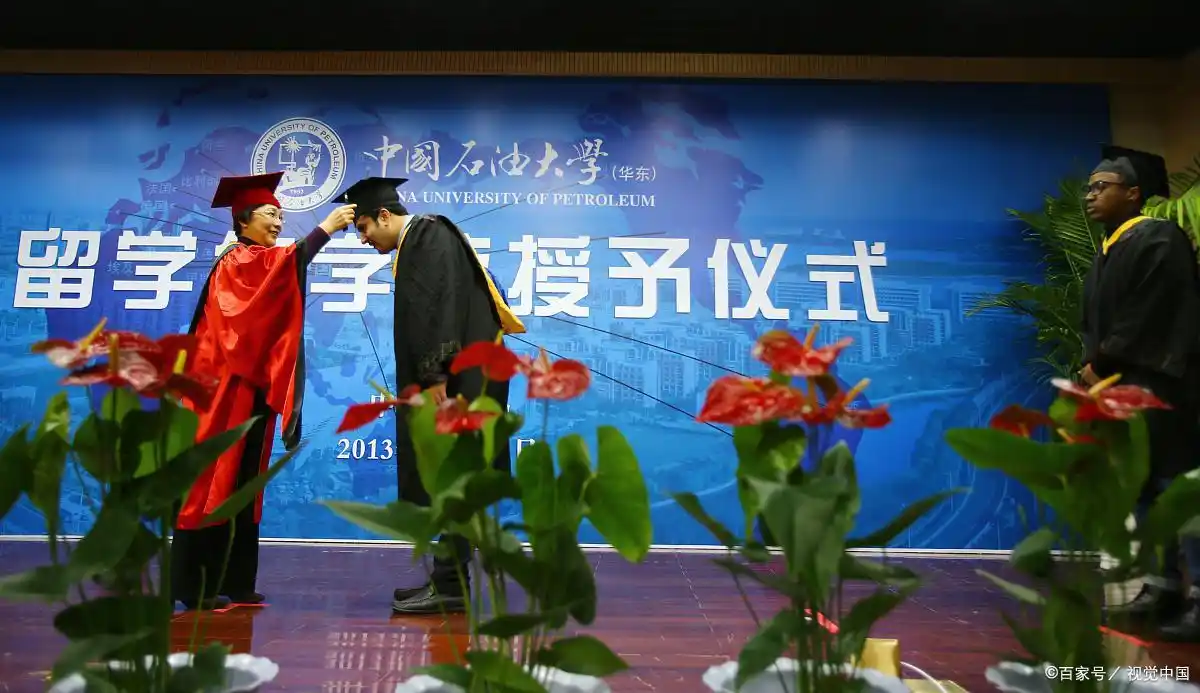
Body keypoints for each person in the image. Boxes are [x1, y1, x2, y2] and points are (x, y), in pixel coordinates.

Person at [333, 176, 526, 614]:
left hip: (453, 383)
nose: (363, 239)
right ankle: (449, 579)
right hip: (464, 376)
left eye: (363, 228)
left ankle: (451, 586)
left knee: (452, 478)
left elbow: (437, 306)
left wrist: (436, 373)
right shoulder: (428, 236)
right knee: (453, 479)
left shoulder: (425, 235)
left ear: (384, 215)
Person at [170, 172, 358, 610]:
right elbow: (278, 274)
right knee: (214, 479)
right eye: (270, 214)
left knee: (244, 481)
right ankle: (195, 587)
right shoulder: (236, 261)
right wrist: (325, 229)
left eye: (280, 215)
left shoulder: (256, 259)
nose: (278, 222)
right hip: (221, 393)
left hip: (248, 388)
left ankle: (235, 580)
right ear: (243, 219)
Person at [1082, 146, 1200, 641]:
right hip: (1124, 385)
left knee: (1178, 488)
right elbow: (1095, 322)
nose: (1090, 195)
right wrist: (1095, 367)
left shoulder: (1158, 238)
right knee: (1144, 485)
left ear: (1133, 193)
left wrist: (1101, 362)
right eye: (1089, 188)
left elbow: (1147, 315)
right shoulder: (1108, 249)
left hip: (1162, 383)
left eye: (1101, 186)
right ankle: (1161, 585)